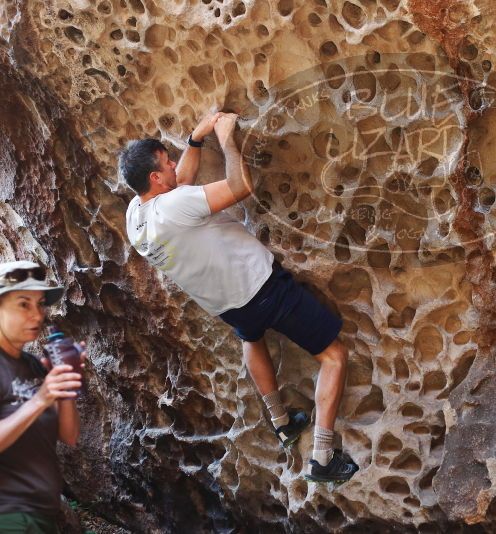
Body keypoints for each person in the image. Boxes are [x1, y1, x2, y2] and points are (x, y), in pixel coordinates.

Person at [119, 112, 358, 483]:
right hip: (263, 287)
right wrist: (227, 139)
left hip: (228, 305)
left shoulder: (136, 215)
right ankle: (323, 458)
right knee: (335, 356)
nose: (173, 165)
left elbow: (179, 182)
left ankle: (281, 423)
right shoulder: (173, 206)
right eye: (166, 162)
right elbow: (239, 185)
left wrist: (196, 140)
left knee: (252, 337)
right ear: (154, 178)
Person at [0, 260, 85, 533]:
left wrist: (64, 386)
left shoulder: (33, 366)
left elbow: (69, 437)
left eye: (40, 304)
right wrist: (40, 399)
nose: (37, 316)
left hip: (39, 516)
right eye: (24, 304)